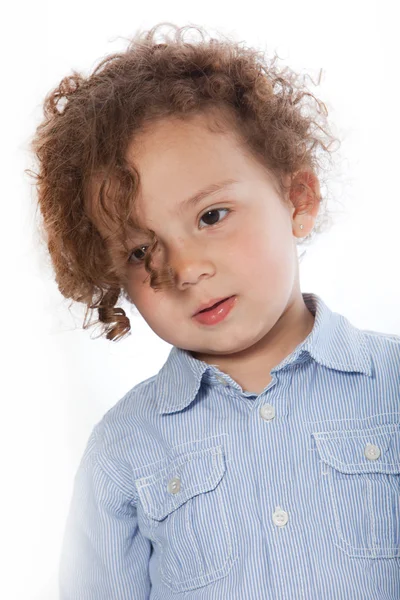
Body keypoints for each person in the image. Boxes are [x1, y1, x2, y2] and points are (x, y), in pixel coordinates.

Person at [29, 22, 400, 599]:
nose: (184, 269)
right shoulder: (123, 449)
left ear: (297, 198)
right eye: (141, 249)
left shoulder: (392, 387)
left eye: (211, 215)